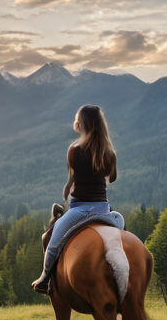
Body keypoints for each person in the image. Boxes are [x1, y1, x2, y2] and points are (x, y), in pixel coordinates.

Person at [32, 104, 117, 294]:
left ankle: (45, 278)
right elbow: (112, 178)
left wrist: (66, 191)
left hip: (79, 209)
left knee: (52, 240)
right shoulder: (109, 153)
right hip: (103, 209)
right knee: (122, 231)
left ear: (82, 124)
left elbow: (70, 182)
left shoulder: (74, 149)